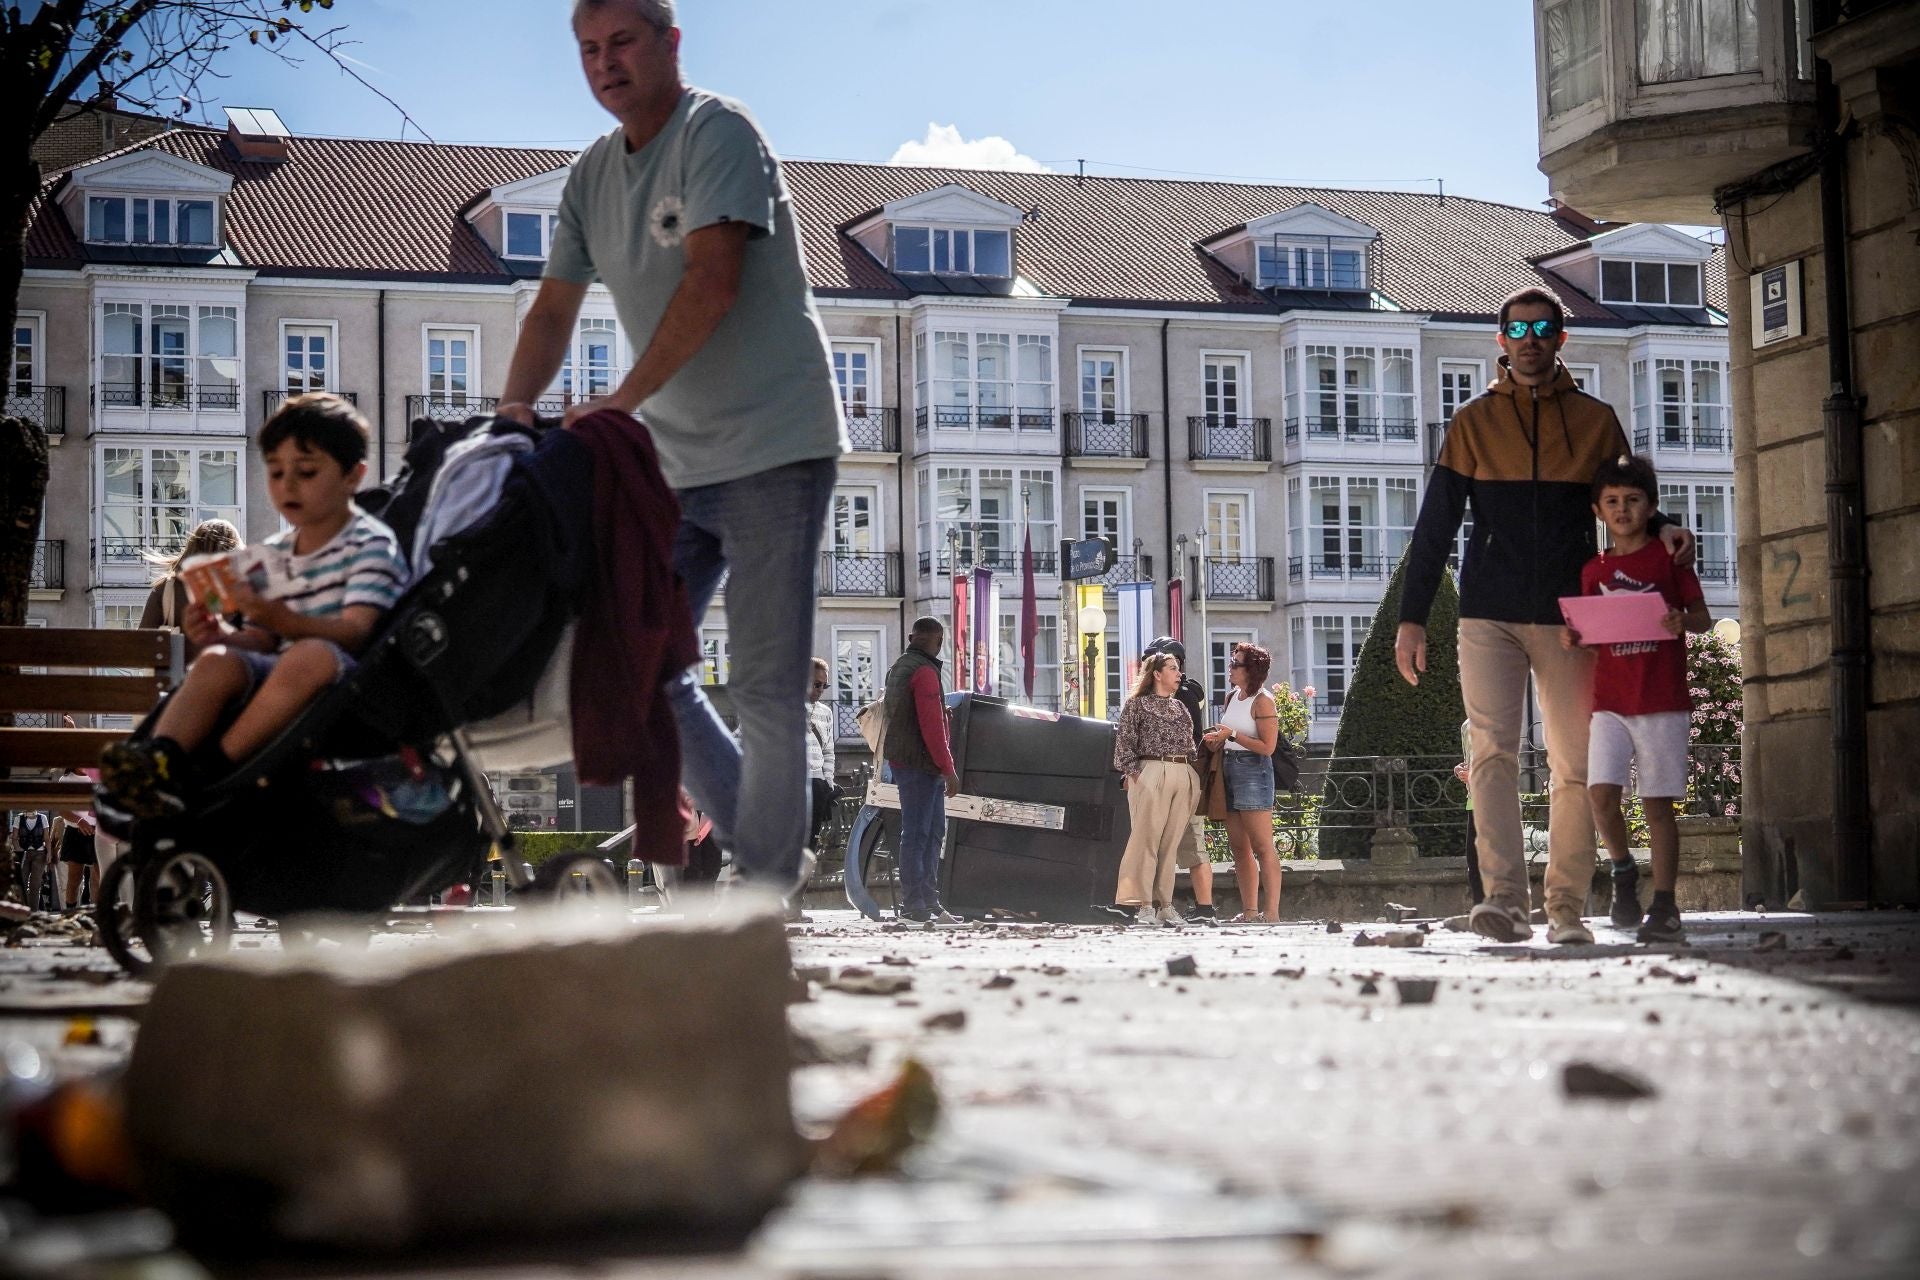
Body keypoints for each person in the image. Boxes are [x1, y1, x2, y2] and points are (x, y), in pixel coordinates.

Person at [496, 0, 845, 900]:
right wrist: (511, 413)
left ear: (669, 42)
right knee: (639, 662)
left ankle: (761, 884)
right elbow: (552, 308)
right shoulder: (591, 175)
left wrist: (619, 401)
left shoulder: (717, 133)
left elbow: (712, 281)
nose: (604, 63)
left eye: (621, 42)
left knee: (766, 683)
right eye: (587, 49)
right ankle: (760, 848)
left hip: (775, 444)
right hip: (675, 468)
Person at [1394, 286, 1696, 945]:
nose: (1529, 340)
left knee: (1573, 764)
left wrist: (1666, 527)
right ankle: (1505, 901)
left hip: (1572, 618)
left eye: (1541, 329)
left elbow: (1627, 498)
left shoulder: (1595, 420)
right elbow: (1436, 524)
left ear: (1561, 339)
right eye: (1517, 329)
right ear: (1501, 341)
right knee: (1491, 753)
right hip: (1488, 613)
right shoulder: (1473, 422)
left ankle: (1565, 909)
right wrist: (1411, 617)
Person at [98, 394, 407, 817]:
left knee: (309, 654)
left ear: (353, 476)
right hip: (281, 672)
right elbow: (262, 639)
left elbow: (358, 631)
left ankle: (211, 771)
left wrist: (287, 621)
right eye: (276, 472)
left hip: (346, 684)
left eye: (306, 472)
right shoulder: (274, 553)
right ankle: (158, 758)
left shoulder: (370, 545)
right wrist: (221, 636)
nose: (287, 485)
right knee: (219, 660)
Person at [1564, 454, 1709, 943]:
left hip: (1662, 699)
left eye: (1632, 500)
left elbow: (1702, 617)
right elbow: (1593, 634)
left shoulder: (1668, 560)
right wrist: (1575, 637)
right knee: (1600, 795)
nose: (1622, 509)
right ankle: (1623, 870)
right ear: (1598, 511)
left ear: (1651, 507)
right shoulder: (1593, 570)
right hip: (1610, 701)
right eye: (1612, 501)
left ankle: (1665, 904)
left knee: (1656, 804)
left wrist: (1681, 621)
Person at [1112, 652, 1202, 928]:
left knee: (1170, 844)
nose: (1179, 673)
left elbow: (1190, 744)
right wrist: (1136, 776)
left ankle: (1165, 905)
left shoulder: (1180, 707)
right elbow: (1124, 745)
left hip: (1181, 771)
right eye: (1172, 668)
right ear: (1157, 674)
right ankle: (1144, 906)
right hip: (1151, 770)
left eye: (1178, 668)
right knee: (1146, 840)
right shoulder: (1137, 705)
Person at [882, 617, 961, 924]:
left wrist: (940, 712)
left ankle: (927, 902)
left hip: (905, 761)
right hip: (921, 764)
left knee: (926, 832)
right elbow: (931, 729)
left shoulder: (899, 667)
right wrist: (948, 769)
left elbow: (908, 715)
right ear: (938, 641)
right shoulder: (925, 672)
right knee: (922, 835)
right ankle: (916, 904)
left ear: (912, 638)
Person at [1203, 643, 1283, 923]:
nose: (1230, 667)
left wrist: (1233, 735)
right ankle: (1250, 911)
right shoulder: (1231, 697)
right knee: (1238, 846)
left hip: (1253, 771)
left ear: (1251, 670)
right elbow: (1230, 734)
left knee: (1262, 845)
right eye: (1231, 662)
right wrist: (1219, 738)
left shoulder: (1263, 701)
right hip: (1228, 768)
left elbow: (1268, 747)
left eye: (1235, 664)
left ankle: (1271, 913)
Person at [1142, 637, 1217, 923]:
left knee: (1176, 843)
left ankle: (1177, 907)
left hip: (1177, 775)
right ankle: (1200, 908)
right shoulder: (1188, 692)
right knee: (1188, 844)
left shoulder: (1177, 697)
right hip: (1186, 775)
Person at [140, 519, 242, 661]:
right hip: (228, 672)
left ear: (192, 549)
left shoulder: (166, 590)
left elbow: (140, 645)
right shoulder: (243, 592)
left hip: (177, 675)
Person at [806, 657, 839, 851]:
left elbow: (828, 750)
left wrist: (828, 782)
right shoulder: (783, 708)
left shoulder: (826, 713)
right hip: (790, 785)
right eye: (816, 684)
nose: (820, 689)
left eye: (824, 686)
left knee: (811, 844)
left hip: (817, 785)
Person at [13, 811, 52, 910]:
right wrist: (19, 850)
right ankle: (22, 910)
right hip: (23, 853)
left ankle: (33, 912)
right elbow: (14, 837)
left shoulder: (42, 817)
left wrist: (49, 853)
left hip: (39, 853)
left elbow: (47, 838)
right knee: (22, 883)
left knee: (35, 885)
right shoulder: (18, 818)